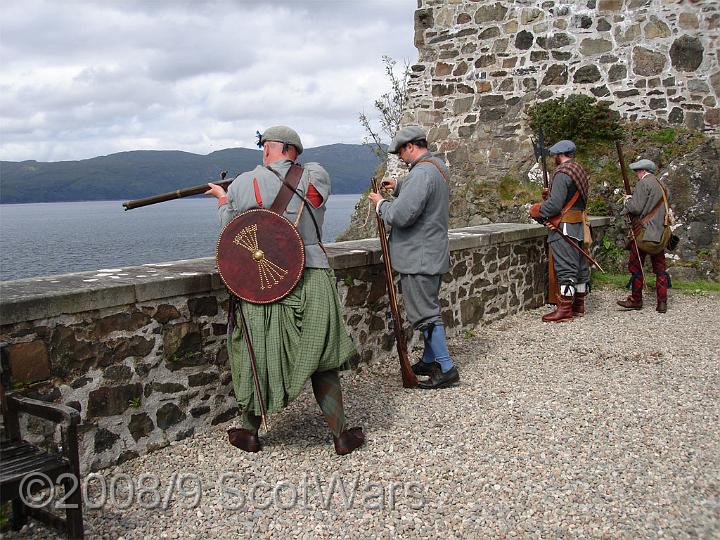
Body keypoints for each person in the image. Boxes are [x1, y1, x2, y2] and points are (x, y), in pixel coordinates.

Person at [205, 126, 365, 455]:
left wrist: (223, 200)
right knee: (323, 358)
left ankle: (250, 433)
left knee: (256, 354)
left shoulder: (241, 184)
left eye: (264, 148)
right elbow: (315, 202)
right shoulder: (316, 175)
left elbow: (230, 233)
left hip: (263, 285)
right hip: (311, 274)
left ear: (268, 150)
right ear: (294, 150)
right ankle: (340, 436)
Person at [367, 126, 459, 390]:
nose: (400, 158)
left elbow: (401, 216)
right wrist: (398, 186)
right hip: (431, 252)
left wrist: (380, 204)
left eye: (401, 153)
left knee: (425, 314)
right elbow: (421, 190)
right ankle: (430, 359)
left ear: (410, 147)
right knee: (426, 307)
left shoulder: (422, 173)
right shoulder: (437, 167)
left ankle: (445, 366)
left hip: (419, 256)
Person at [529, 140, 591, 322]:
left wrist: (537, 209)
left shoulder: (562, 173)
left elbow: (555, 205)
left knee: (566, 268)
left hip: (564, 226)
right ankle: (579, 305)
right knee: (579, 267)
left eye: (555, 156)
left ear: (559, 155)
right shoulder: (578, 170)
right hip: (579, 224)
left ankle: (565, 310)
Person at [617, 159, 671, 313]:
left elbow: (636, 208)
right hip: (660, 233)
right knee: (660, 269)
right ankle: (662, 303)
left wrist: (628, 201)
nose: (636, 175)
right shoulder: (662, 185)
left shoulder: (643, 184)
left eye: (637, 172)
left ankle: (636, 300)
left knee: (635, 266)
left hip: (643, 232)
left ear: (642, 171)